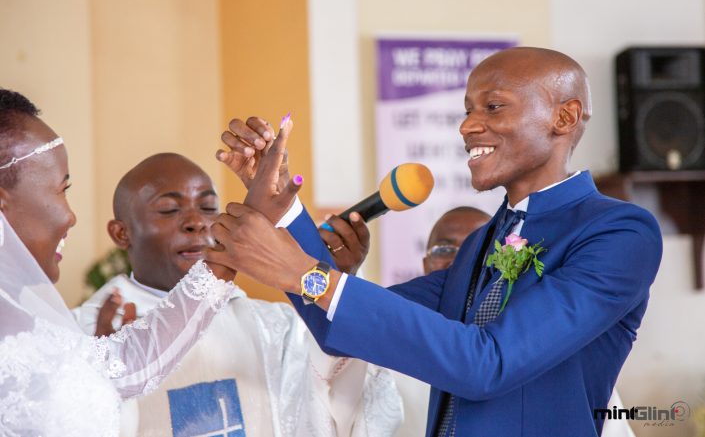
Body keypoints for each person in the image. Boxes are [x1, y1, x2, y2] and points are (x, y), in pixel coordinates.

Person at [206, 46, 663, 437]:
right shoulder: (482, 243)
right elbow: (340, 332)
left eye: (493, 107)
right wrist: (280, 205)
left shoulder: (619, 233)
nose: (467, 126)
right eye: (467, 110)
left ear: (563, 117)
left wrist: (305, 274)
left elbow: (488, 364)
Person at [74, 153, 402, 437]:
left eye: (208, 207)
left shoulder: (272, 327)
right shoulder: (86, 333)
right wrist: (103, 382)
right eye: (170, 209)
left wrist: (333, 292)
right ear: (121, 232)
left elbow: (336, 406)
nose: (196, 223)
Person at [0, 89, 237, 436]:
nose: (71, 216)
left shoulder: (22, 314)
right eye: (61, 189)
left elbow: (126, 367)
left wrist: (233, 248)